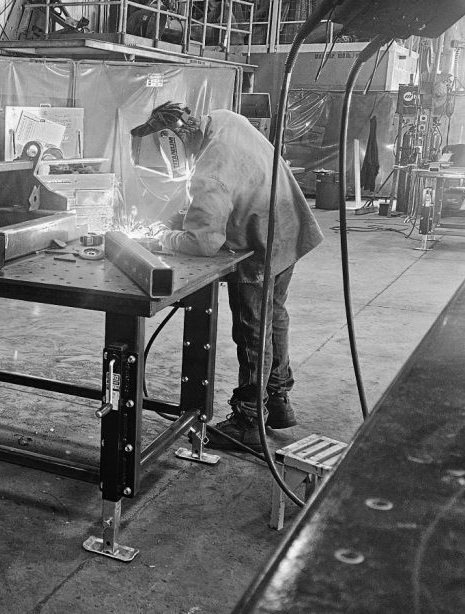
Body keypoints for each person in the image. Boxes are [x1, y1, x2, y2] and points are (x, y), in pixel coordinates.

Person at [130, 102, 324, 452]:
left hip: (259, 241)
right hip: (288, 226)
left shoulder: (209, 171)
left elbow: (203, 243)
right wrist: (190, 214)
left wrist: (164, 238)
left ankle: (249, 420)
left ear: (173, 141)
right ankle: (277, 399)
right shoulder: (224, 119)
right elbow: (234, 181)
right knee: (274, 316)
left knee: (252, 330)